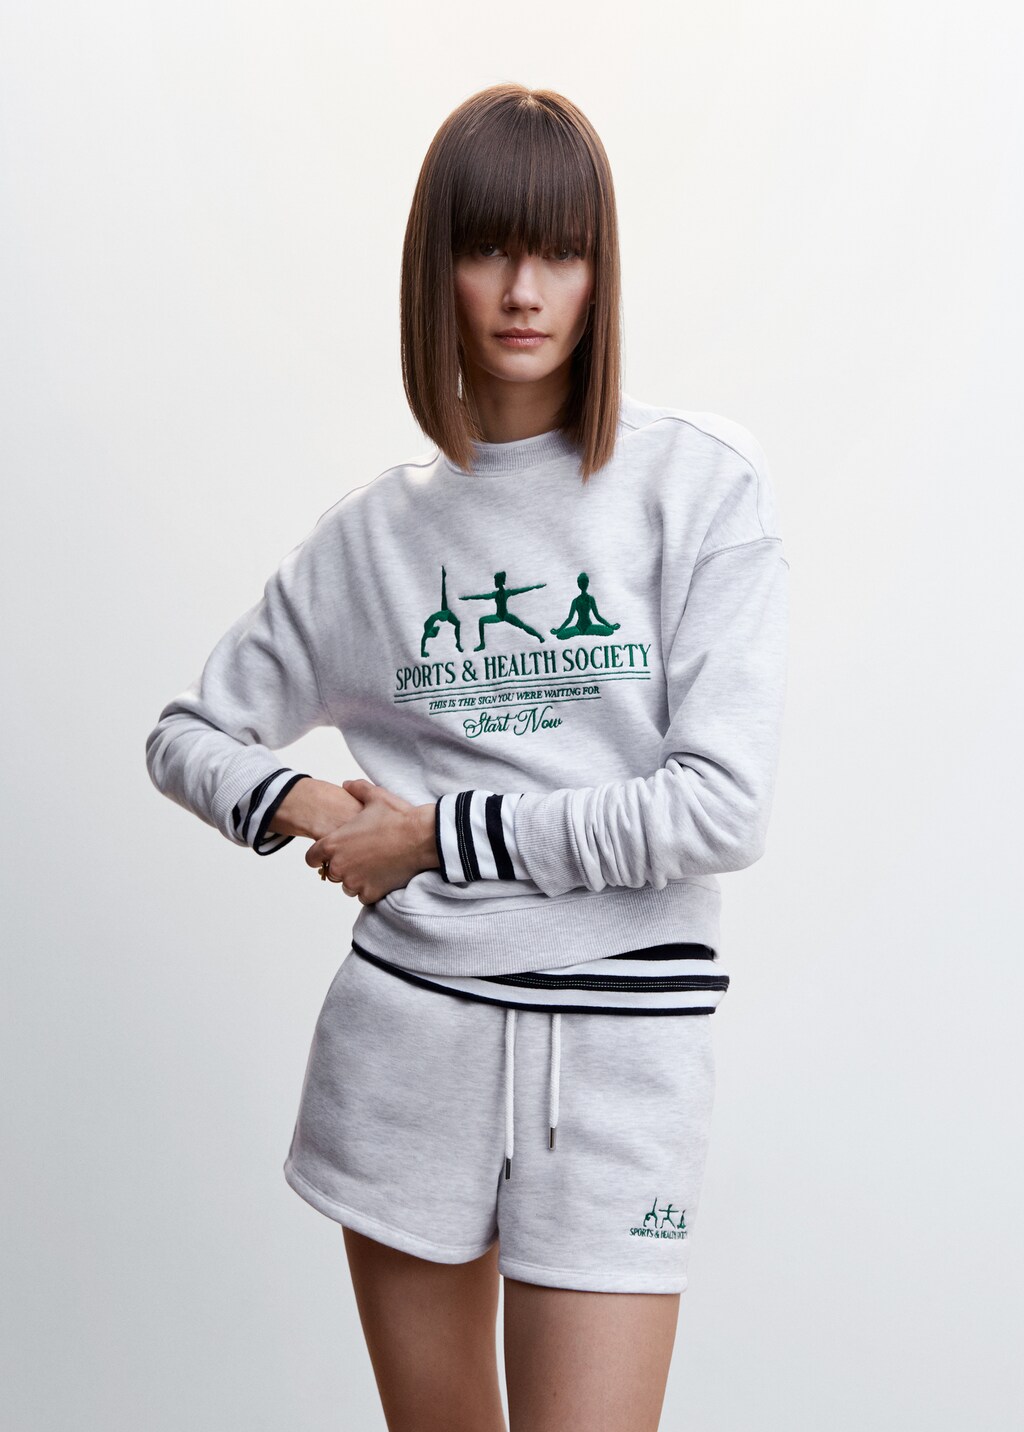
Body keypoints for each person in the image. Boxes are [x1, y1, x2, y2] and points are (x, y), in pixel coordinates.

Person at [145, 82, 790, 1432]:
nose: (524, 290)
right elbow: (185, 732)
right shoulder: (372, 540)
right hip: (406, 1052)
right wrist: (299, 799)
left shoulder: (699, 485)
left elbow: (718, 809)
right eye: (488, 247)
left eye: (562, 252)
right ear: (434, 266)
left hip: (620, 1065)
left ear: (602, 273)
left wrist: (436, 834)